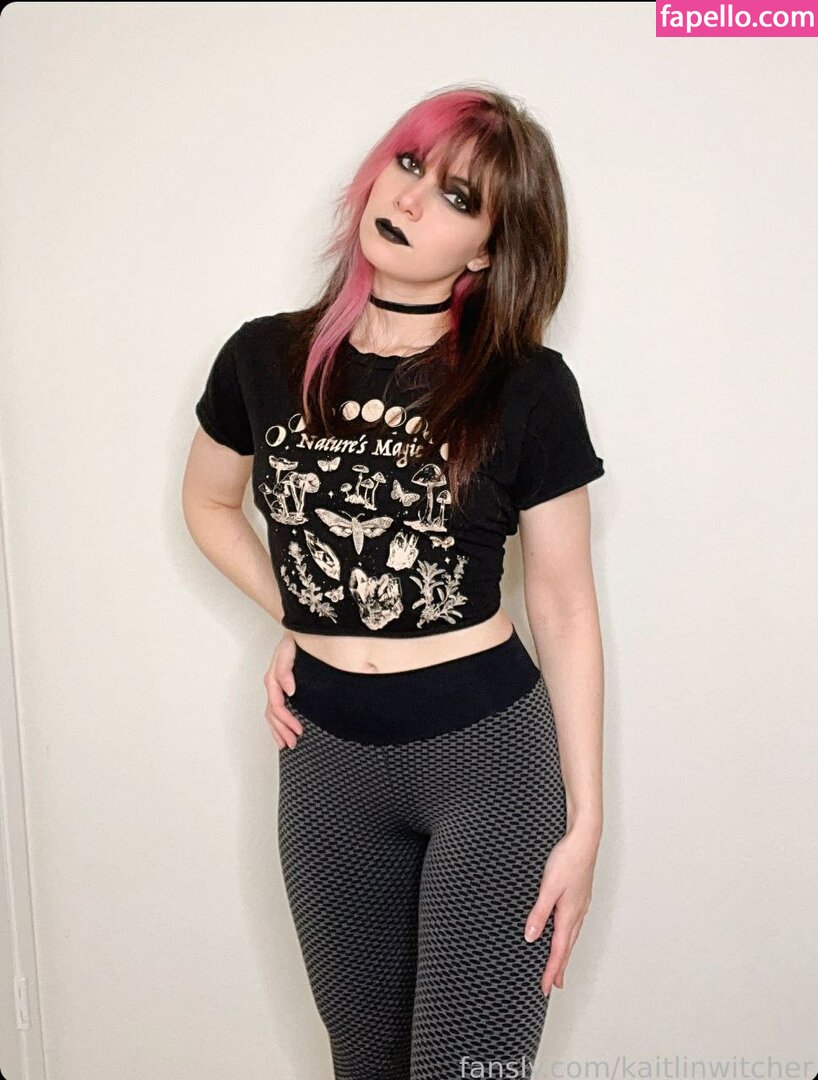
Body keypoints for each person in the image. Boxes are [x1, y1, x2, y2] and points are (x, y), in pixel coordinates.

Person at [182, 80, 607, 1080]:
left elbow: (562, 604)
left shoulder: (524, 385)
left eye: (457, 198)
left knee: (466, 1067)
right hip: (323, 757)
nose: (410, 198)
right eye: (410, 163)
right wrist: (299, 614)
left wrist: (586, 820)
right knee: (364, 1061)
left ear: (488, 250)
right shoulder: (266, 357)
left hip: (488, 763)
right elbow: (207, 504)